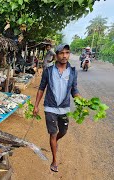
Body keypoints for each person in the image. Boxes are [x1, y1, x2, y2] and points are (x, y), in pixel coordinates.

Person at [33, 43, 81, 172]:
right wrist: (36, 106)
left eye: (67, 53)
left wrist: (81, 101)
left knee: (63, 132)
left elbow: (74, 90)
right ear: (57, 55)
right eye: (61, 53)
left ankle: (53, 141)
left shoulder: (72, 71)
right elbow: (41, 88)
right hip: (50, 108)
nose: (64, 56)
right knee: (53, 133)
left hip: (64, 108)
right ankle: (54, 159)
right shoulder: (48, 71)